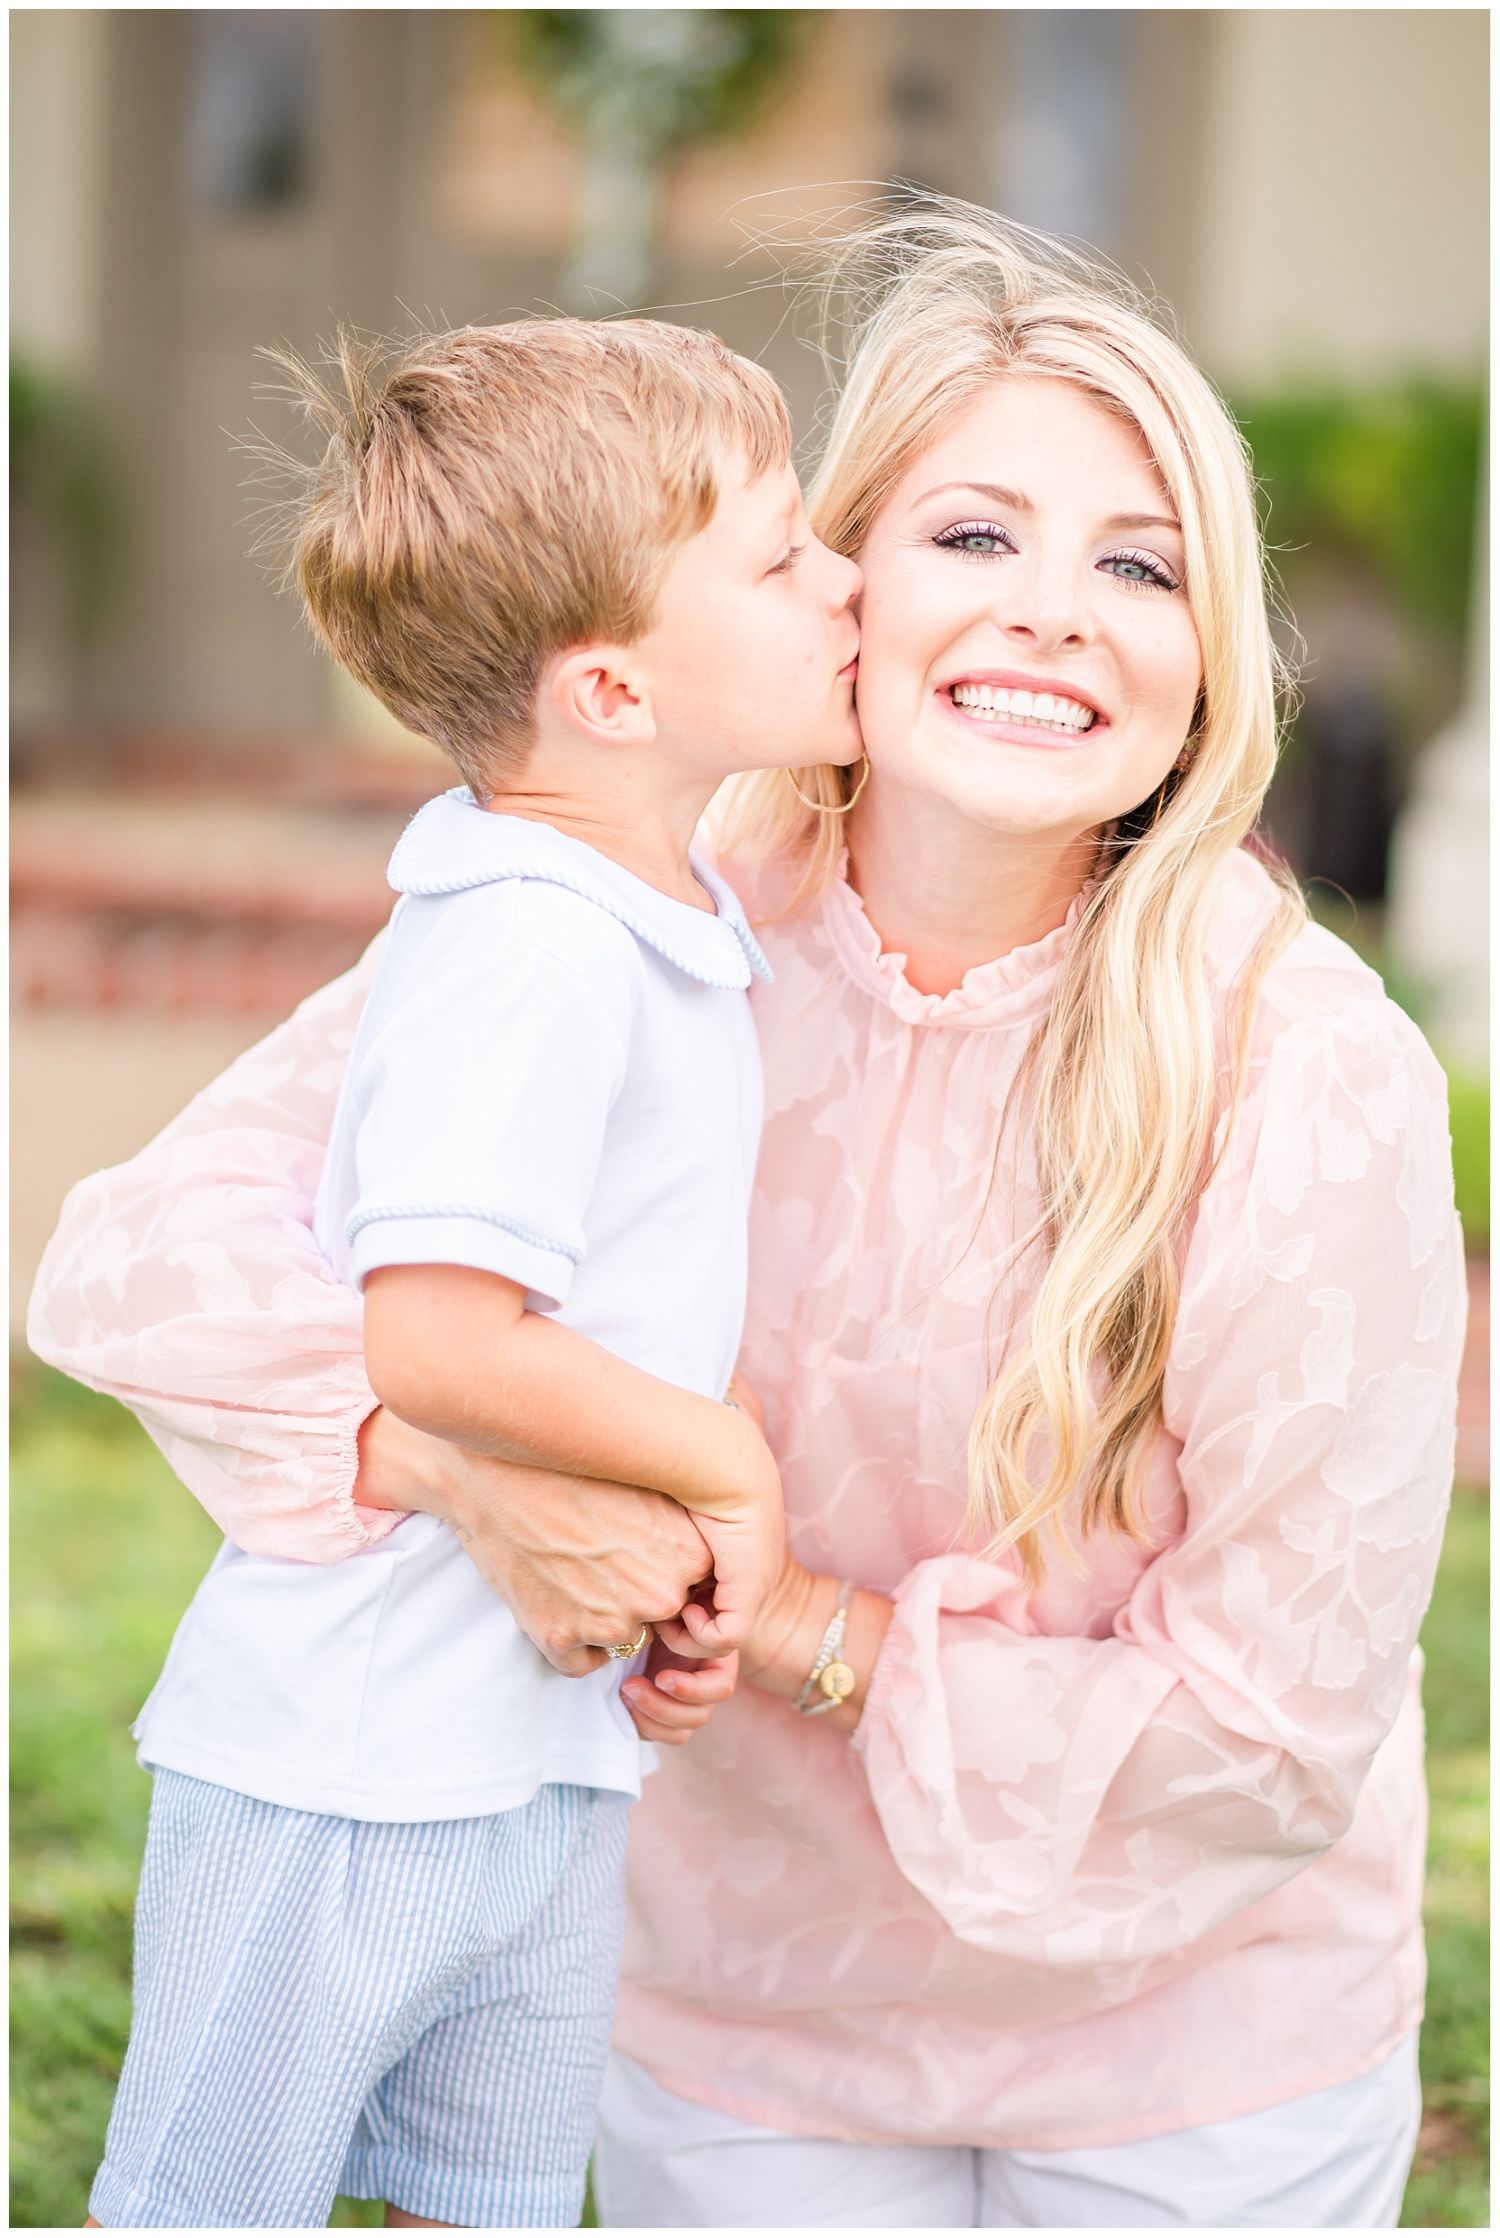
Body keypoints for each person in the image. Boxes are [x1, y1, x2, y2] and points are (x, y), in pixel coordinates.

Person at [31, 200, 1465, 2229]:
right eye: (974, 534)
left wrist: (793, 1622)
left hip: (1195, 2045)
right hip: (731, 2009)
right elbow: (141, 1260)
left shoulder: (1308, 1065)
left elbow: (1268, 1731)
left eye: (1139, 565)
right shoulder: (641, 914)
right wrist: (463, 1471)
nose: (1055, 614)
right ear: (838, 579)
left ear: (1209, 645)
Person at [50, 312, 864, 2230]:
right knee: (212, 2200)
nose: (845, 581)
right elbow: (430, 1335)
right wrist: (725, 1466)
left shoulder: (648, 914)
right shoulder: (530, 946)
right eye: (781, 558)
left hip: (530, 1755)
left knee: (483, 2192)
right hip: (345, 1766)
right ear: (611, 691)